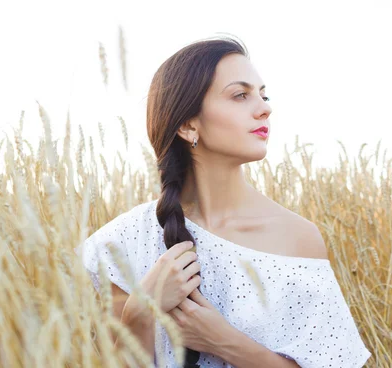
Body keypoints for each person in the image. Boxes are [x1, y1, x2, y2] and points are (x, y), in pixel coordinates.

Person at [77, 34, 372, 367]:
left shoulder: (298, 238)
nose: (264, 108)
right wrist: (141, 312)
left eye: (263, 95)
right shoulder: (123, 242)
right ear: (188, 125)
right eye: (240, 95)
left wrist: (225, 342)